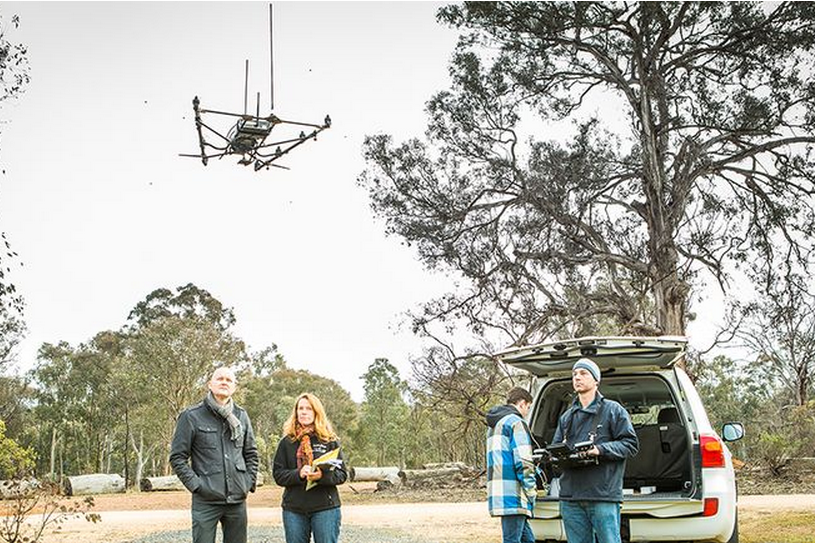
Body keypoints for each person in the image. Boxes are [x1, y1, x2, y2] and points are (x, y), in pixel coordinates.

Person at [552, 358, 638, 543]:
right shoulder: (566, 417)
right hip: (570, 497)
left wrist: (599, 450)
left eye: (583, 373)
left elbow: (630, 444)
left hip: (603, 496)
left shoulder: (614, 410)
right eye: (574, 374)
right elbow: (555, 450)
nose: (577, 377)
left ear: (596, 380)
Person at [169, 366, 258, 543]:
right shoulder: (191, 416)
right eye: (220, 379)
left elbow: (251, 453)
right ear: (210, 384)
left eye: (229, 380)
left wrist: (247, 483)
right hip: (206, 501)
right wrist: (197, 486)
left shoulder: (241, 416)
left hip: (237, 500)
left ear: (234, 387)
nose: (224, 382)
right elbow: (177, 457)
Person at [273, 392, 347, 543]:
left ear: (316, 412)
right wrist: (298, 474)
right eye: (300, 408)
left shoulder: (329, 441)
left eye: (309, 408)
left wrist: (322, 476)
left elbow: (342, 474)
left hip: (325, 508)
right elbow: (278, 475)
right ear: (296, 412)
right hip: (294, 509)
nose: (304, 412)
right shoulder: (287, 442)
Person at [486, 386, 537, 543]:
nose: (527, 412)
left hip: (500, 492)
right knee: (512, 539)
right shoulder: (516, 422)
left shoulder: (493, 426)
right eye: (528, 408)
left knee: (527, 539)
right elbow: (524, 461)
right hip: (515, 494)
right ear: (522, 403)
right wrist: (531, 491)